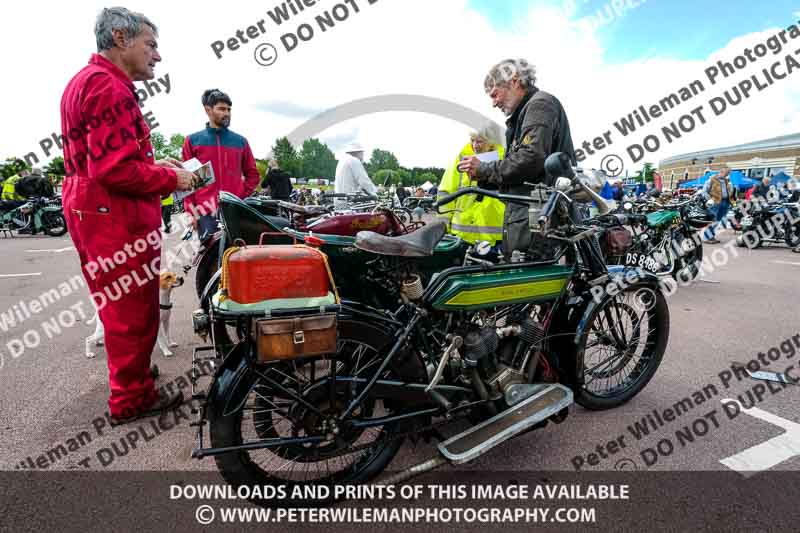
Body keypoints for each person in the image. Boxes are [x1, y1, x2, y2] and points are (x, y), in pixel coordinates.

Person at [60, 7, 196, 422]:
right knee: (132, 309)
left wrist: (160, 165)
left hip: (90, 204)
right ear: (121, 39)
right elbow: (114, 169)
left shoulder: (86, 81)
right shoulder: (110, 88)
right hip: (111, 210)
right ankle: (131, 399)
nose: (157, 56)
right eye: (150, 45)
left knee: (116, 302)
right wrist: (173, 180)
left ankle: (134, 378)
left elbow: (105, 159)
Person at [458, 58, 575, 255]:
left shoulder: (539, 105)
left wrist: (484, 169)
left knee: (530, 281)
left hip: (538, 222)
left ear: (514, 81)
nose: (494, 103)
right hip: (531, 218)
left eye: (495, 95)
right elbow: (524, 176)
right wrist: (485, 179)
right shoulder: (525, 113)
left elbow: (531, 158)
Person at [182, 89, 260, 241]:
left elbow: (253, 175)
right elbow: (187, 182)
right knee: (209, 259)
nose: (227, 113)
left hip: (235, 210)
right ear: (208, 110)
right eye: (222, 109)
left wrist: (238, 196)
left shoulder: (240, 141)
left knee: (236, 255)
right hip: (205, 212)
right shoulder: (192, 141)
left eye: (229, 109)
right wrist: (191, 212)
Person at [438, 127, 506, 245]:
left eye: (479, 141)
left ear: (492, 143)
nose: (475, 145)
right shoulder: (460, 159)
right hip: (460, 235)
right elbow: (445, 193)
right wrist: (443, 226)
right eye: (472, 140)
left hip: (494, 238)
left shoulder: (505, 160)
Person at [334, 143, 377, 208]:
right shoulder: (354, 160)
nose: (362, 156)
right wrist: (376, 193)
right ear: (358, 152)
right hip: (351, 203)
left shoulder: (341, 161)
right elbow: (364, 181)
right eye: (362, 153)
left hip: (338, 201)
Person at [701, 165, 735, 244]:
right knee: (712, 220)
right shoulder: (712, 179)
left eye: (729, 173)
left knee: (717, 221)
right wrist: (710, 200)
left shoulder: (727, 181)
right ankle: (707, 237)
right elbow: (704, 191)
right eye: (727, 173)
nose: (728, 174)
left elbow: (730, 192)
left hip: (725, 202)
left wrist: (732, 201)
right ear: (722, 172)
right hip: (715, 203)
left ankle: (711, 236)